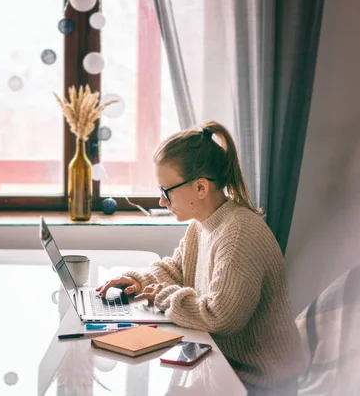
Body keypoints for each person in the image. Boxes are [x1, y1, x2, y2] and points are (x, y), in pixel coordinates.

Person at [96, 121, 305, 396]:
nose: (161, 201)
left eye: (166, 191)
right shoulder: (203, 224)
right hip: (226, 370)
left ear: (201, 188)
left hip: (260, 385)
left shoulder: (238, 235)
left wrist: (164, 295)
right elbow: (179, 269)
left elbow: (220, 318)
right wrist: (138, 281)